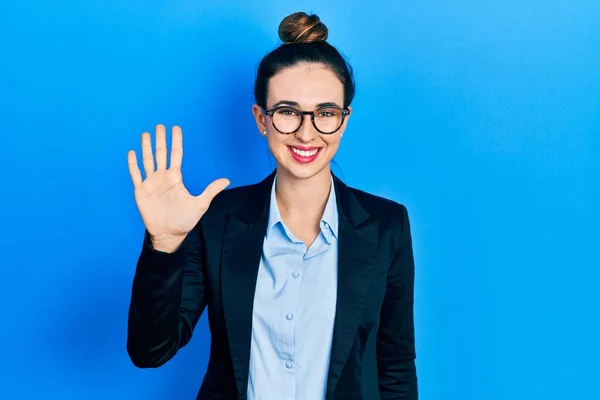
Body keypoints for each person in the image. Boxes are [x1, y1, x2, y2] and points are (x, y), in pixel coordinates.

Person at [126, 11, 418, 400]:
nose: (306, 131)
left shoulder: (386, 225)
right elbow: (150, 351)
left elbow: (395, 367)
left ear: (344, 120)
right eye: (287, 112)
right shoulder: (217, 218)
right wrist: (164, 244)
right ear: (261, 119)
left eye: (326, 113)